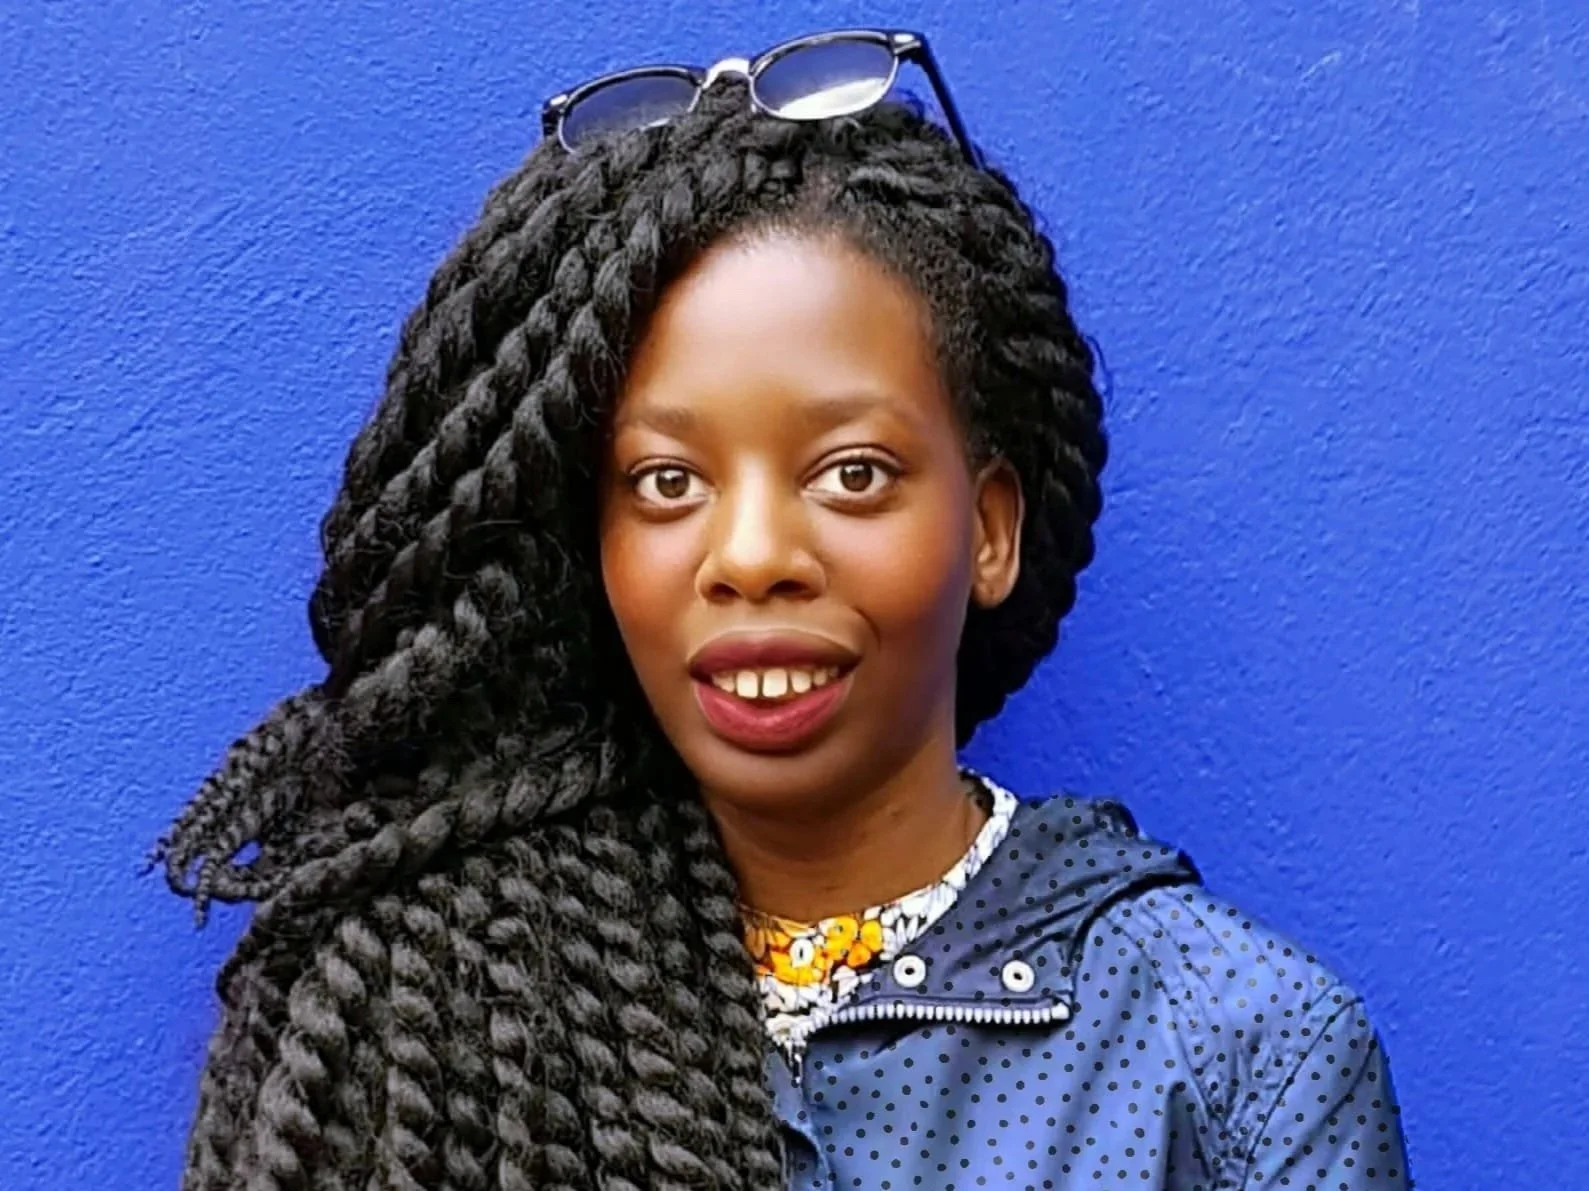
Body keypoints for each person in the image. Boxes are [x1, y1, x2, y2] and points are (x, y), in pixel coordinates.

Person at [156, 29, 1413, 1190]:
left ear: (987, 528)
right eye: (665, 482)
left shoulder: (1234, 1050)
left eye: (850, 474)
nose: (751, 557)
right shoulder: (428, 1017)